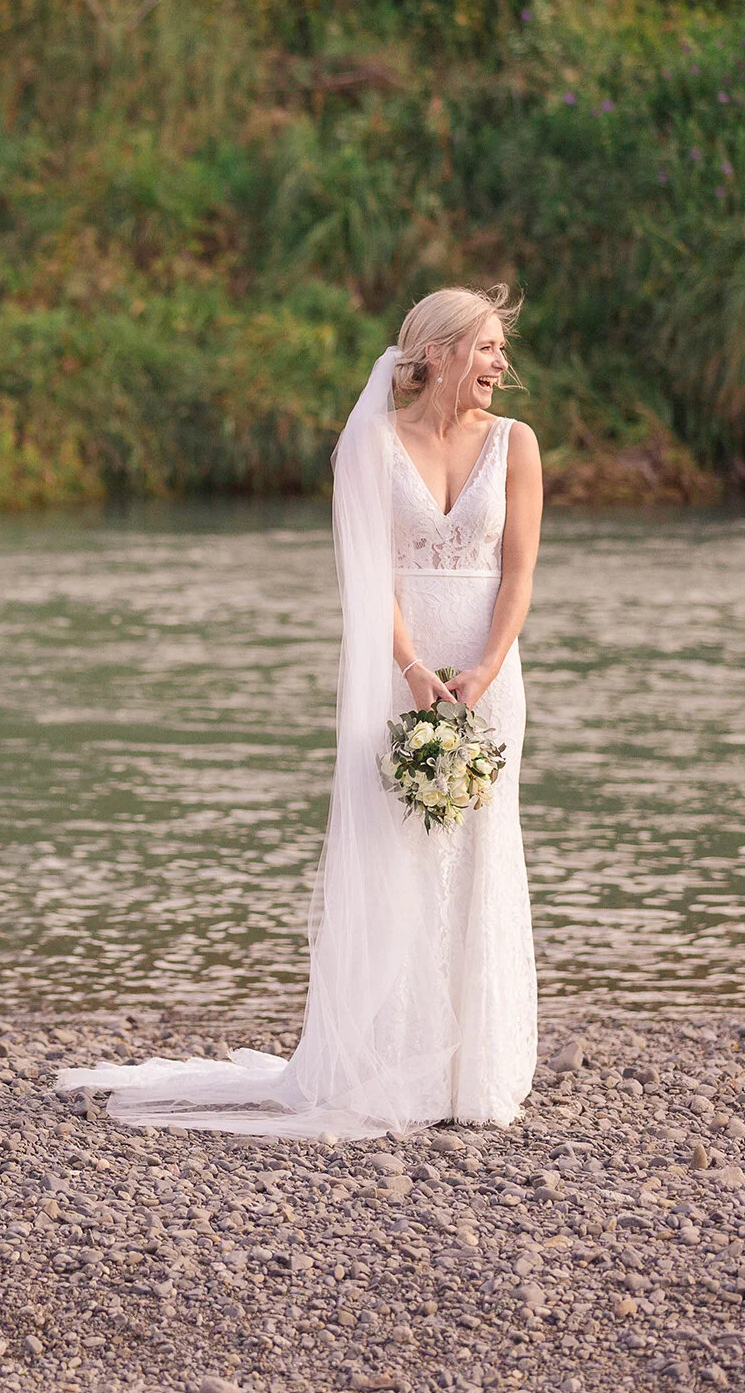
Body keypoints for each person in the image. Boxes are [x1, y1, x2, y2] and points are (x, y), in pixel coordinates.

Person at [58, 286, 541, 1138]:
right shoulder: (371, 445)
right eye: (490, 348)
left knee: (478, 849)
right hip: (404, 670)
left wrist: (485, 668)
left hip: (487, 674)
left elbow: (519, 576)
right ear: (440, 355)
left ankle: (476, 1070)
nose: (502, 365)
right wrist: (414, 668)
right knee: (400, 850)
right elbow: (368, 575)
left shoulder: (516, 445)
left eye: (502, 349)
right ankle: (397, 1061)